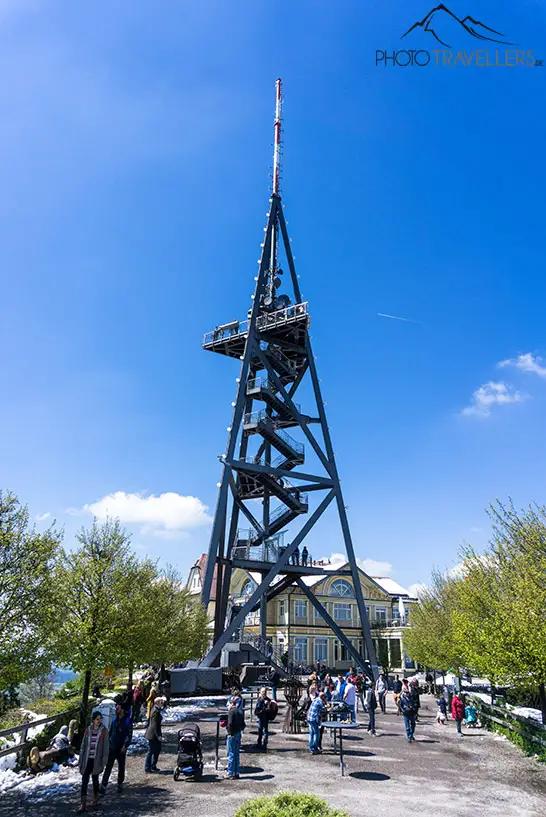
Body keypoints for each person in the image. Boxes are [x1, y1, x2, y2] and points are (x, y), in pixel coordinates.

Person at [78, 711, 109, 813]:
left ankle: (95, 799)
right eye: (97, 719)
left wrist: (104, 761)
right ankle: (83, 803)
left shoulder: (104, 730)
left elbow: (106, 746)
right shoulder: (88, 730)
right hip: (87, 759)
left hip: (97, 759)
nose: (99, 721)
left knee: (95, 779)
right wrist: (81, 759)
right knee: (84, 780)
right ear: (93, 720)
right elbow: (83, 745)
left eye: (100, 719)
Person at [100, 697, 133, 794]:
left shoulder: (127, 721)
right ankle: (103, 785)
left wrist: (125, 746)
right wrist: (107, 743)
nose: (116, 709)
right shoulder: (114, 720)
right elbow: (110, 732)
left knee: (121, 766)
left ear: (122, 709)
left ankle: (120, 784)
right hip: (112, 747)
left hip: (121, 748)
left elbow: (129, 735)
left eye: (117, 708)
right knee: (108, 766)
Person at [226, 695, 245, 779]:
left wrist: (230, 732)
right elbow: (243, 725)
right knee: (237, 754)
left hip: (232, 734)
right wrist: (239, 729)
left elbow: (229, 723)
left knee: (231, 754)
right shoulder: (240, 711)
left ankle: (230, 773)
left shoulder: (231, 712)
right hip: (238, 733)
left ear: (231, 703)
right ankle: (236, 772)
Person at [144, 696, 166, 772]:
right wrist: (158, 736)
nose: (162, 703)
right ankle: (147, 767)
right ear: (157, 703)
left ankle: (153, 766)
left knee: (157, 750)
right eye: (161, 702)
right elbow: (154, 725)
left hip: (155, 734)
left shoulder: (156, 709)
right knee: (151, 751)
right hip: (153, 735)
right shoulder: (155, 711)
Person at [307, 690, 326, 755]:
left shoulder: (316, 699)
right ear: (322, 697)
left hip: (309, 717)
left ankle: (311, 747)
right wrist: (326, 704)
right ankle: (314, 748)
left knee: (311, 733)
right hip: (313, 719)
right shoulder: (320, 701)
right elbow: (323, 710)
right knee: (316, 733)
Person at [255, 687, 271, 752]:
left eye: (264, 692)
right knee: (261, 730)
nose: (263, 693)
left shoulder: (267, 700)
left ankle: (264, 744)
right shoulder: (259, 699)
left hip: (264, 717)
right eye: (262, 692)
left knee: (264, 731)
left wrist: (264, 708)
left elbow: (269, 709)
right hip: (261, 717)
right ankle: (259, 743)